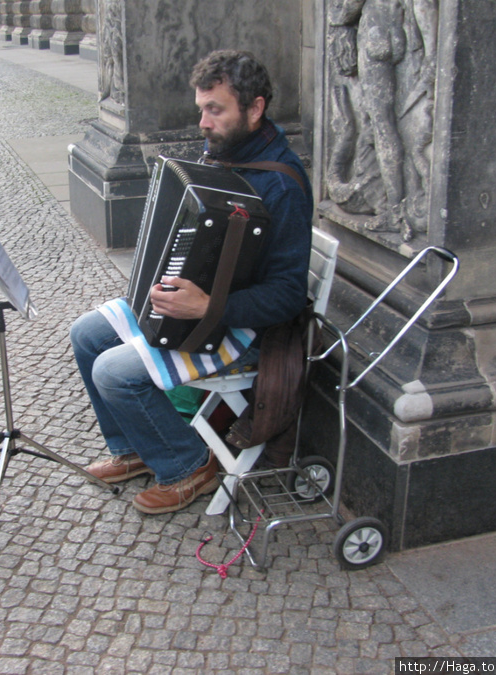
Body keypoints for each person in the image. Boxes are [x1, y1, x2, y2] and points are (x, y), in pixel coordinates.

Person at [69, 50, 314, 514]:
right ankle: (135, 447)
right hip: (201, 309)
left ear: (255, 109)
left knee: (113, 372)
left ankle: (188, 465)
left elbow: (286, 296)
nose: (202, 121)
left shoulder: (281, 185)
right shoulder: (227, 154)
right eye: (201, 108)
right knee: (84, 335)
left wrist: (208, 307)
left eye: (215, 110)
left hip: (243, 330)